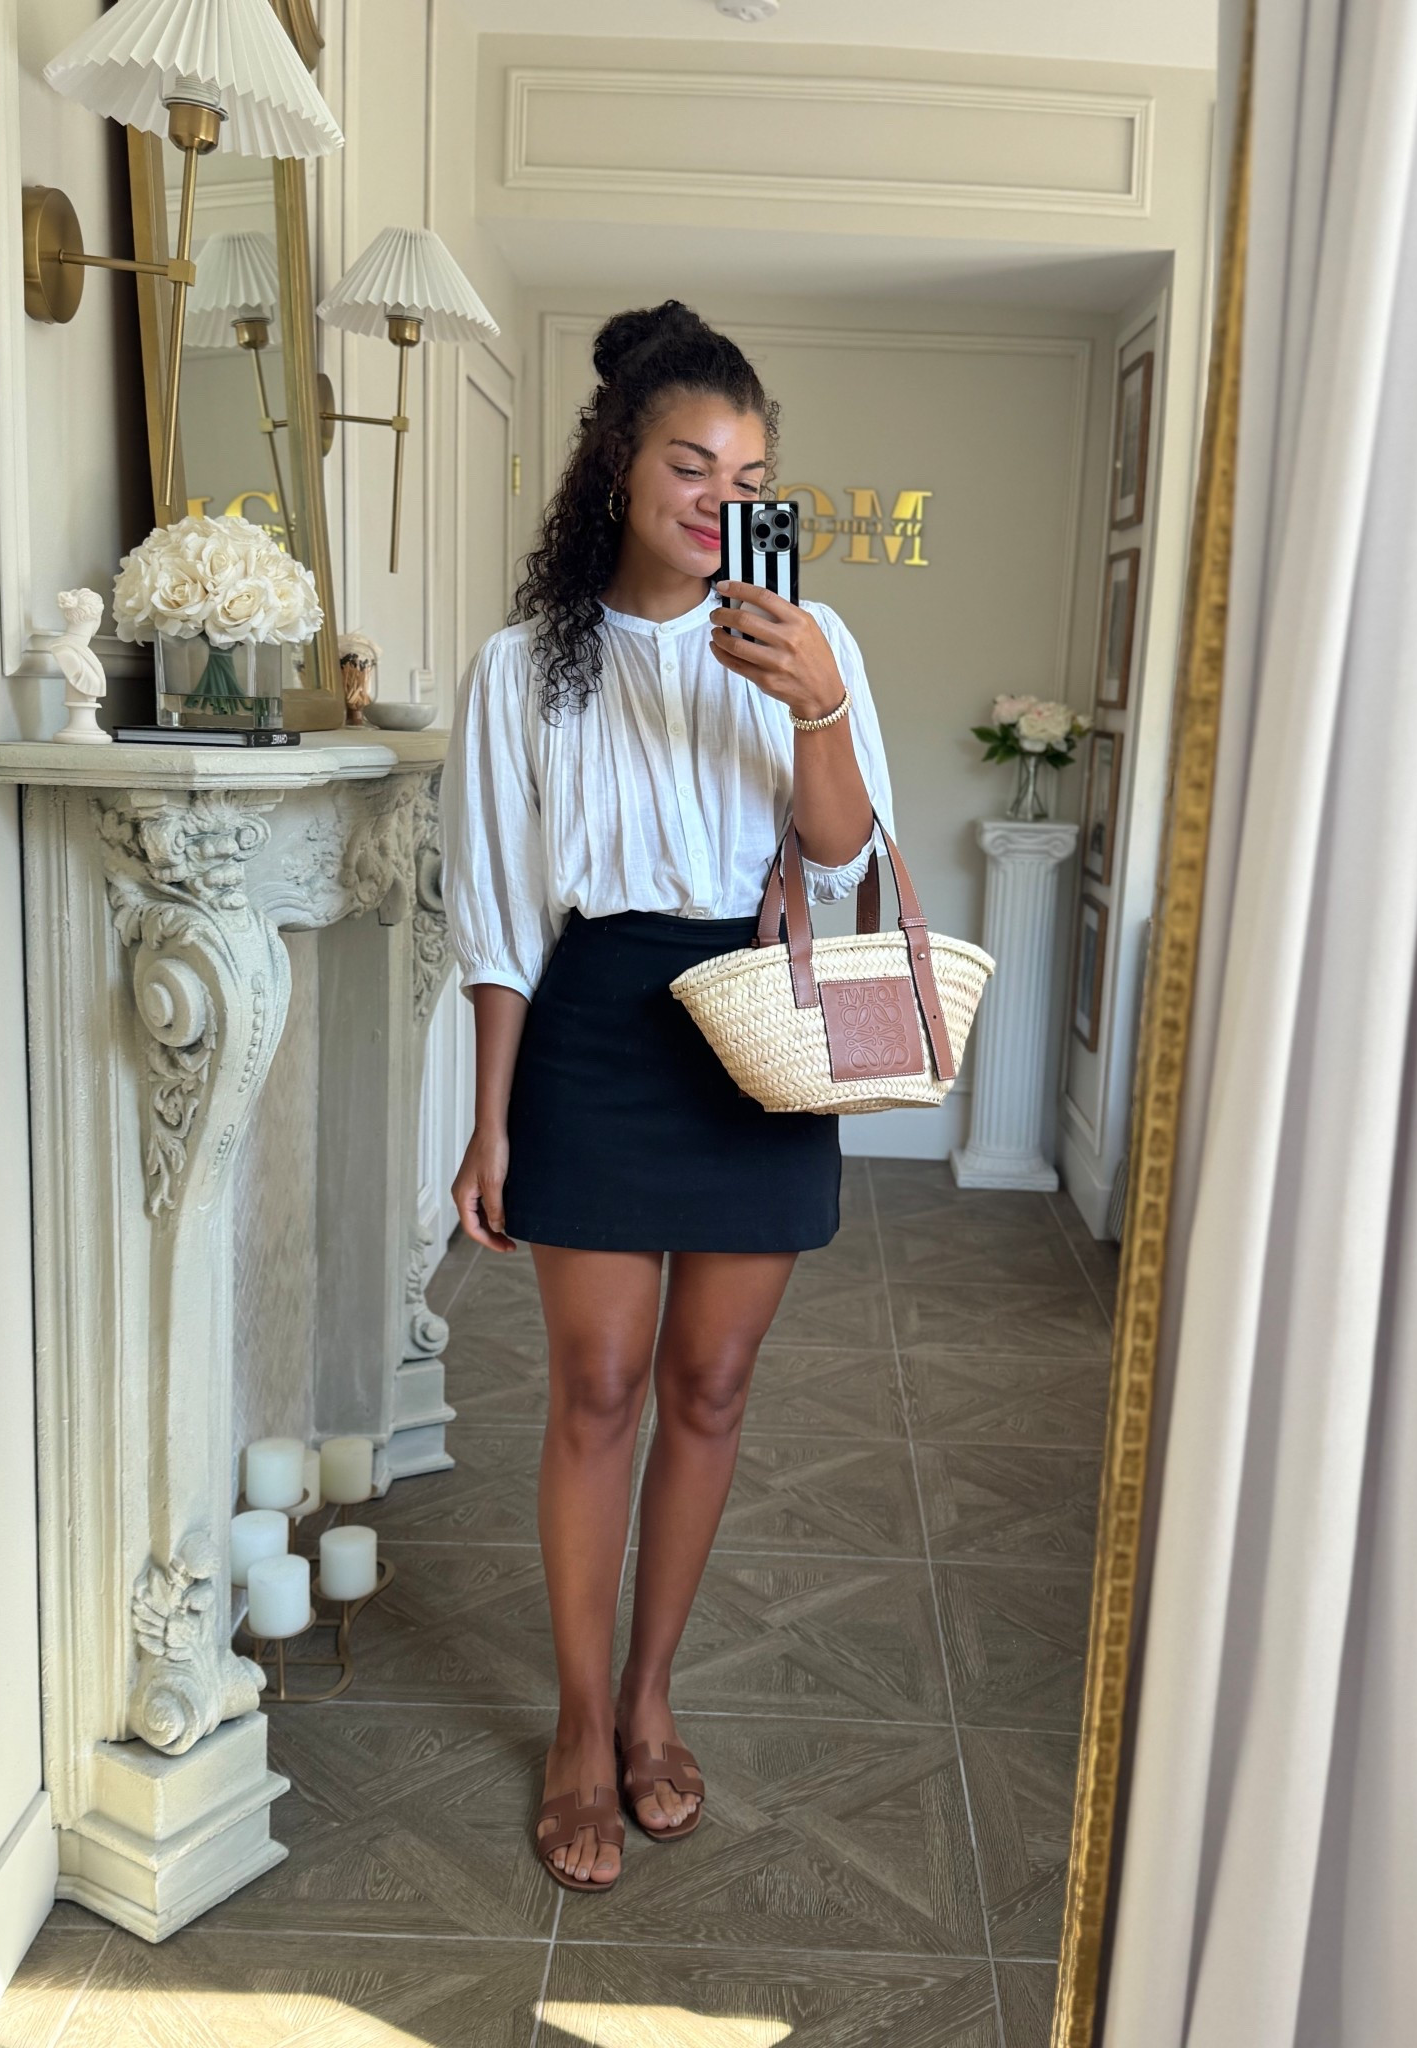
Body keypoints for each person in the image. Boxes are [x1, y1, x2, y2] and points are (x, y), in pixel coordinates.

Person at [439, 299, 894, 1893]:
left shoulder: (808, 644)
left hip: (761, 1026)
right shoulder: (523, 668)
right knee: (597, 1388)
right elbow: (499, 914)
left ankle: (649, 1700)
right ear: (616, 468)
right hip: (596, 1028)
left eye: (751, 472)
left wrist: (814, 701)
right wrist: (488, 1118)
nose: (717, 496)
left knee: (710, 1387)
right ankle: (575, 1726)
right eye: (689, 463)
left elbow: (840, 854)